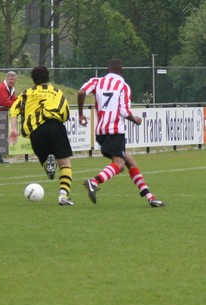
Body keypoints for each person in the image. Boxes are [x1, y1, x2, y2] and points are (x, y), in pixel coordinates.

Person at [77, 59, 165, 207]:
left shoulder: (96, 81)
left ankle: (150, 197)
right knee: (119, 164)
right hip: (115, 130)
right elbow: (124, 111)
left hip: (101, 131)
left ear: (107, 69)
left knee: (130, 163)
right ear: (122, 71)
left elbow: (81, 92)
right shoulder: (123, 86)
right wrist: (135, 120)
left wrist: (80, 114)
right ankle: (94, 181)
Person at [9, 65, 76, 205]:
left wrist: (14, 128)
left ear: (33, 79)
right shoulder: (57, 92)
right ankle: (63, 196)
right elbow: (65, 114)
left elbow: (14, 109)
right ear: (48, 77)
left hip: (36, 131)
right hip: (54, 126)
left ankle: (48, 166)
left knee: (45, 159)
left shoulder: (26, 94)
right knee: (65, 164)